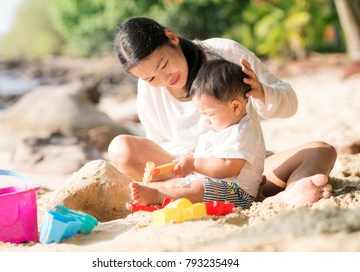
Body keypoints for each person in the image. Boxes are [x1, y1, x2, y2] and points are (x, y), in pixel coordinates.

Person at [110, 16, 336, 205]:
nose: (164, 79)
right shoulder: (148, 90)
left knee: (321, 150)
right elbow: (156, 146)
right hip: (188, 170)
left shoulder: (224, 52)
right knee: (121, 148)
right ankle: (180, 190)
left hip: (246, 168)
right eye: (150, 78)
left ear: (171, 37)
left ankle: (291, 194)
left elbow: (289, 104)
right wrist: (196, 161)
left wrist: (261, 92)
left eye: (164, 65)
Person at [130, 59, 265, 209]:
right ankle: (158, 194)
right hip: (215, 185)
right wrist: (194, 154)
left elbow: (229, 167)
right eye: (202, 114)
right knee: (178, 183)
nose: (205, 121)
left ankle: (157, 196)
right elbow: (213, 152)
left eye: (210, 114)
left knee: (198, 188)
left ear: (235, 107)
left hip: (238, 193)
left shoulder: (241, 132)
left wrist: (195, 164)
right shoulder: (222, 127)